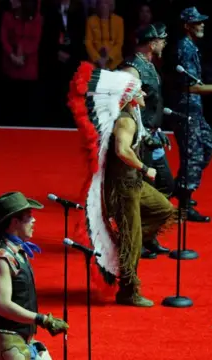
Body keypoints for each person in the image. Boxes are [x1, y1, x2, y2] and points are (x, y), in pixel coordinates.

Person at [67, 61, 177, 306]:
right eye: (139, 91)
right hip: (124, 188)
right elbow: (122, 149)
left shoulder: (132, 115)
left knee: (165, 209)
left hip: (134, 184)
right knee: (133, 239)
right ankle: (128, 291)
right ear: (130, 97)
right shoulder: (126, 121)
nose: (144, 94)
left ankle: (122, 241)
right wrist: (145, 167)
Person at [0, 191, 68, 359]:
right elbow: (2, 305)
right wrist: (42, 319)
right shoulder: (1, 257)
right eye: (28, 216)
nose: (34, 221)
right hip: (5, 341)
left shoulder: (16, 251)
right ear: (15, 222)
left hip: (18, 339)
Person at [172, 7, 212, 222]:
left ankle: (179, 189)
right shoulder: (185, 49)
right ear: (188, 26)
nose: (202, 25)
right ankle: (184, 205)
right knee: (193, 156)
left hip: (196, 110)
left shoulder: (192, 47)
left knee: (208, 146)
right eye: (198, 22)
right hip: (187, 109)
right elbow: (189, 86)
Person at [120, 22, 171, 259]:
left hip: (152, 135)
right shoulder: (132, 69)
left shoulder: (149, 65)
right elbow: (127, 104)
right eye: (162, 39)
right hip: (138, 138)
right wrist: (143, 133)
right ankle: (133, 239)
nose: (165, 43)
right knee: (142, 192)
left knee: (165, 186)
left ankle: (148, 236)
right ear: (152, 43)